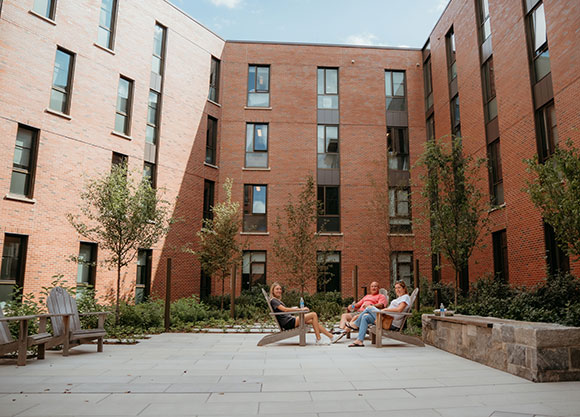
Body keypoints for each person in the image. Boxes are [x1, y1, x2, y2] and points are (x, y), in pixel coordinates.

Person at [269, 282, 338, 345]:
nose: (279, 291)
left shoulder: (276, 300)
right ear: (272, 291)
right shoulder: (274, 301)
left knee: (312, 321)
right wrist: (300, 309)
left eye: (280, 289)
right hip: (288, 323)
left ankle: (331, 336)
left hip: (290, 320)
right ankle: (318, 339)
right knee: (313, 314)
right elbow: (285, 310)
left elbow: (284, 310)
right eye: (277, 289)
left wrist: (294, 308)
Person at [347, 280, 410, 347]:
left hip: (390, 322)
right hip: (385, 318)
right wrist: (352, 306)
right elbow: (357, 305)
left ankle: (356, 324)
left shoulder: (405, 297)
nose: (397, 290)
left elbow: (399, 310)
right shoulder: (400, 298)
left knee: (369, 308)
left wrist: (385, 309)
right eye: (396, 288)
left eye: (399, 288)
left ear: (404, 288)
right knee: (365, 317)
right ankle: (359, 340)